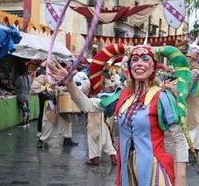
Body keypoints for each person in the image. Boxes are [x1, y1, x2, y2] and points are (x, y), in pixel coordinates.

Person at [48, 44, 191, 186]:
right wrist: (69, 84)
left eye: (145, 59)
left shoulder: (162, 97)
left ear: (153, 67)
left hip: (154, 170)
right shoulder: (122, 95)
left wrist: (180, 179)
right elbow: (88, 106)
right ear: (129, 66)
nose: (139, 63)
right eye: (134, 59)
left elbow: (179, 140)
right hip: (127, 172)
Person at [31, 64, 78, 148]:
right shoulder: (43, 77)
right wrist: (45, 89)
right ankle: (41, 140)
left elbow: (58, 89)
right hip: (50, 103)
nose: (54, 68)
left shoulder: (56, 77)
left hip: (59, 102)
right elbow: (33, 87)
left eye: (54, 67)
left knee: (67, 119)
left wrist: (65, 87)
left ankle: (67, 139)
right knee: (49, 121)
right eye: (52, 67)